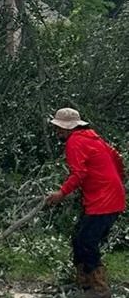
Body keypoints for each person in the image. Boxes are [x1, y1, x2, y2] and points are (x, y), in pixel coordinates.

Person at [45, 107, 126, 297]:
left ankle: (99, 288)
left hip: (103, 200)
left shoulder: (74, 142)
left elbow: (79, 174)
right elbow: (117, 157)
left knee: (87, 241)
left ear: (68, 129)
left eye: (59, 129)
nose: (57, 132)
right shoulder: (93, 137)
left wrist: (61, 193)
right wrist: (117, 181)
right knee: (78, 239)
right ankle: (84, 284)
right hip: (109, 196)